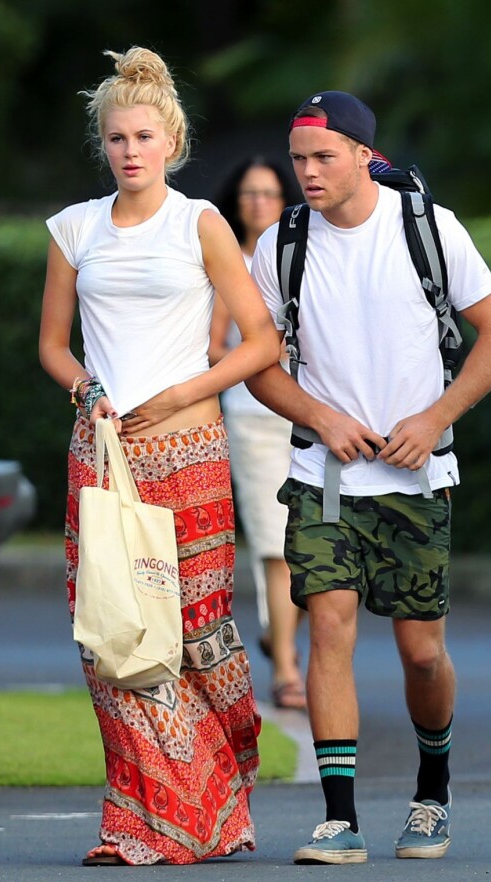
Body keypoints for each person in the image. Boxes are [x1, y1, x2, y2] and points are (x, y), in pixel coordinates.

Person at [247, 91, 491, 864]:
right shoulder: (281, 243)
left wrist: (434, 418)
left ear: (365, 155)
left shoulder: (428, 228)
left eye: (322, 157)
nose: (307, 173)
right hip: (322, 474)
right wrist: (320, 415)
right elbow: (256, 362)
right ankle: (340, 818)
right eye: (298, 158)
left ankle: (432, 791)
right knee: (329, 623)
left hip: (418, 477)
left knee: (421, 653)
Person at [38, 46, 280, 867]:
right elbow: (52, 345)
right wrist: (86, 390)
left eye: (143, 135)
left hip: (192, 448)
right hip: (104, 456)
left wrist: (183, 393)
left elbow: (262, 341)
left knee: (196, 634)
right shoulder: (73, 229)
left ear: (170, 141)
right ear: (102, 145)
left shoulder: (200, 223)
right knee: (114, 634)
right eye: (115, 138)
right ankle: (140, 822)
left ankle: (222, 797)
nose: (129, 150)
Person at [209, 157, 306, 710]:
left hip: (313, 416)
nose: (259, 202)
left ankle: (281, 631)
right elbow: (213, 345)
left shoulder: (305, 255)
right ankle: (288, 669)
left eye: (269, 192)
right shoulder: (230, 263)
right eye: (249, 193)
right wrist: (262, 355)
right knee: (275, 543)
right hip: (253, 419)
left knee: (310, 541)